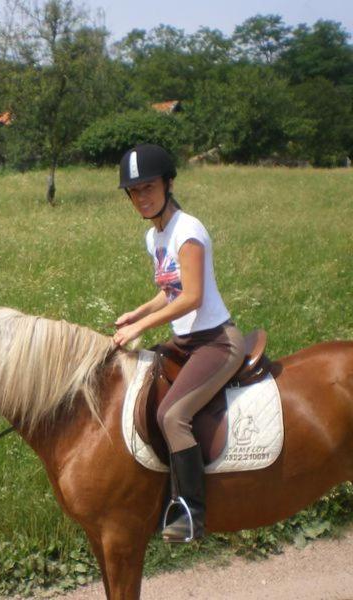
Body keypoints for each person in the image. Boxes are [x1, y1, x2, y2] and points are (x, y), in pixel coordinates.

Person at [112, 143, 245, 543]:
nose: (142, 197)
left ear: (168, 184)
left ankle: (192, 514)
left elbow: (192, 297)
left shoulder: (188, 230)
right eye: (134, 191)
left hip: (216, 343)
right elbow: (170, 291)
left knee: (173, 415)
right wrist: (137, 313)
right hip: (184, 343)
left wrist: (140, 329)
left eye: (149, 187)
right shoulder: (154, 237)